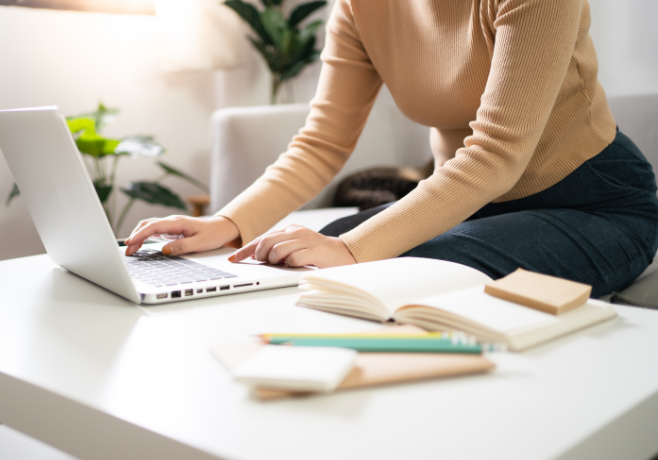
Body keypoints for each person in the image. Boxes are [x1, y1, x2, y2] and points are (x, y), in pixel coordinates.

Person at [125, 0, 658, 297]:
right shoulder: (360, 7)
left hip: (596, 204)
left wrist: (355, 251)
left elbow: (497, 154)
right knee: (286, 255)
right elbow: (322, 142)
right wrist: (228, 223)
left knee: (374, 266)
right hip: (473, 203)